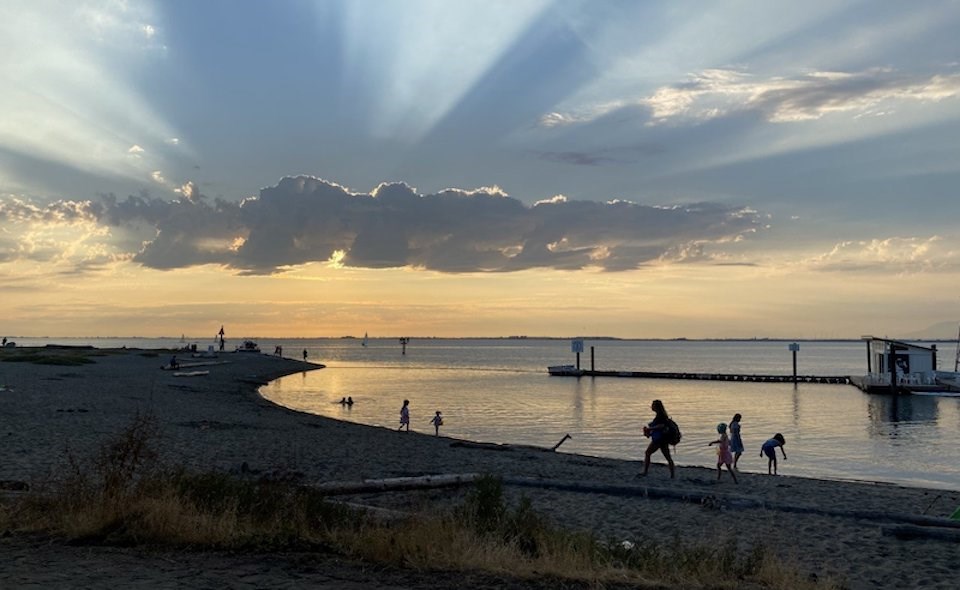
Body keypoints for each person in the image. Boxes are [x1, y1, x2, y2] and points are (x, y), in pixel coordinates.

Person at [640, 399, 675, 479]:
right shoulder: (661, 415)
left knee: (648, 453)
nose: (651, 406)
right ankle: (672, 475)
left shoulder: (660, 416)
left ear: (656, 407)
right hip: (663, 439)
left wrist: (650, 429)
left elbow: (661, 426)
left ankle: (645, 472)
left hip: (659, 439)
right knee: (668, 457)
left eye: (653, 405)